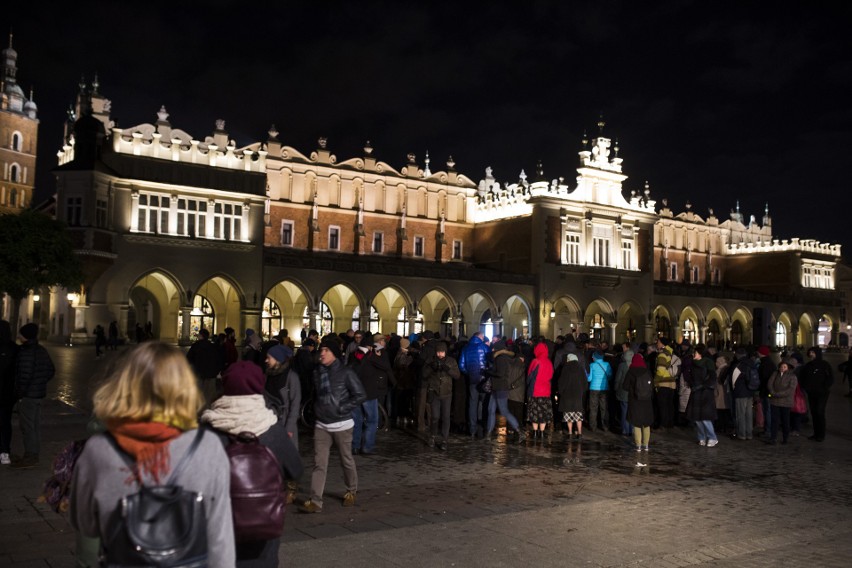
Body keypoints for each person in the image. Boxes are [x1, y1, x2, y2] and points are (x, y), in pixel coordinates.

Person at [69, 342, 235, 566]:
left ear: (125, 384)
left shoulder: (100, 449)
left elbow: (86, 523)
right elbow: (220, 537)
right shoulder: (207, 447)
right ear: (184, 387)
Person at [202, 360, 303, 567]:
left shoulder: (208, 429)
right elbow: (296, 469)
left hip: (218, 531)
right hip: (262, 532)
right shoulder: (272, 428)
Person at [300, 339, 366, 513]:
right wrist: (316, 410)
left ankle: (351, 490)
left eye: (327, 350)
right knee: (319, 463)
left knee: (346, 460)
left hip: (342, 424)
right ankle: (315, 500)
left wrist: (342, 408)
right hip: (322, 425)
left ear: (334, 354)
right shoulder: (317, 372)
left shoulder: (346, 373)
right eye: (321, 349)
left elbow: (360, 395)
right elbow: (316, 395)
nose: (322, 353)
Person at [12, 323, 55, 468]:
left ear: (26, 336)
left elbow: (24, 376)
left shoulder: (25, 352)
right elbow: (50, 370)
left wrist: (20, 393)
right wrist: (40, 383)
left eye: (21, 334)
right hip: (38, 394)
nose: (18, 336)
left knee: (28, 426)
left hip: (28, 396)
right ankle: (34, 454)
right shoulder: (41, 350)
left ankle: (30, 456)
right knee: (35, 426)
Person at [483, 340, 524, 441]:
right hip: (496, 387)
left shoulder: (500, 359)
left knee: (504, 411)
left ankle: (519, 431)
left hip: (500, 388)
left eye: (494, 348)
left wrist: (488, 371)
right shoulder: (503, 358)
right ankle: (488, 434)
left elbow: (500, 374)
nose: (492, 349)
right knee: (491, 410)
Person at [422, 341, 461, 449]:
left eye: (442, 352)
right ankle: (432, 436)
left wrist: (447, 369)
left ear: (445, 352)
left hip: (447, 393)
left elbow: (457, 375)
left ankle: (444, 439)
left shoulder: (451, 361)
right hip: (434, 392)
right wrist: (431, 367)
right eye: (438, 352)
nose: (440, 354)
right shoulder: (431, 360)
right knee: (435, 417)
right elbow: (423, 375)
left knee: (446, 417)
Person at [459, 331, 490, 438]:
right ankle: (484, 427)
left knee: (472, 403)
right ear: (480, 337)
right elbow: (490, 363)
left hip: (472, 380)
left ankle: (472, 428)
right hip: (484, 380)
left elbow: (461, 365)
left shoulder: (466, 348)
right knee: (484, 403)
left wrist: (469, 373)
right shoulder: (485, 347)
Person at [686, 344, 718, 447]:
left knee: (705, 417)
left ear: (700, 353)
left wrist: (702, 385)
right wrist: (691, 384)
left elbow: (712, 378)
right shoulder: (693, 363)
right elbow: (689, 376)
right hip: (695, 391)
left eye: (695, 352)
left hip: (705, 392)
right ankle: (701, 437)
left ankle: (712, 437)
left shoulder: (708, 362)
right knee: (696, 417)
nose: (693, 354)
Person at [800, 346, 833, 442]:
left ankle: (821, 434)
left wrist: (825, 387)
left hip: (822, 393)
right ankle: (816, 433)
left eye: (813, 352)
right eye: (810, 352)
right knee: (814, 412)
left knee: (819, 412)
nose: (811, 354)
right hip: (811, 393)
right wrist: (806, 387)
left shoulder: (824, 365)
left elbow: (830, 378)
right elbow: (803, 377)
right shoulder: (808, 365)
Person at [186, 328, 225, 406]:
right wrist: (217, 371)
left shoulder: (196, 346)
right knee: (209, 395)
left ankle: (198, 411)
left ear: (201, 336)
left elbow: (188, 358)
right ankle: (207, 409)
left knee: (198, 393)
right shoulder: (213, 346)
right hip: (211, 374)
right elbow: (219, 360)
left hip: (199, 373)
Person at [624, 353, 654, 451]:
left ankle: (638, 445)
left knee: (636, 423)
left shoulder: (631, 371)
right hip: (646, 401)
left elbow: (624, 386)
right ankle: (646, 445)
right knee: (646, 423)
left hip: (634, 400)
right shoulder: (647, 371)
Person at [526, 342, 554, 440]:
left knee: (534, 412)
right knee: (543, 412)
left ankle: (534, 432)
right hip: (546, 391)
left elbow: (530, 376)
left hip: (535, 391)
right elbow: (551, 376)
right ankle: (542, 433)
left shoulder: (536, 361)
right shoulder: (549, 362)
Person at [767, 359, 797, 445]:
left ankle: (785, 438)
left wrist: (777, 394)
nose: (782, 368)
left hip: (786, 402)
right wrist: (772, 392)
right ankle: (773, 438)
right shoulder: (775, 373)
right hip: (774, 401)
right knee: (774, 420)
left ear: (788, 368)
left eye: (784, 367)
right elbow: (770, 383)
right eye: (781, 366)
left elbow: (790, 390)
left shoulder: (792, 377)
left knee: (785, 421)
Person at [728, 348, 756, 441]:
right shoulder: (751, 363)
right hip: (750, 391)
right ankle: (749, 433)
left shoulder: (738, 365)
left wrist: (733, 391)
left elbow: (733, 380)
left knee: (740, 414)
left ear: (737, 354)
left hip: (740, 392)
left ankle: (742, 434)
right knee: (749, 414)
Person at [0, 320, 18, 465]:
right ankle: (5, 452)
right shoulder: (15, 348)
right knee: (5, 422)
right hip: (8, 393)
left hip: (6, 392)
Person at [557, 353, 586, 440]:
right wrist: (582, 391)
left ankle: (570, 433)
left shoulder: (565, 368)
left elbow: (561, 382)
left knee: (568, 414)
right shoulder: (581, 368)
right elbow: (585, 383)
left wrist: (561, 392)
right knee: (578, 414)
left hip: (567, 395)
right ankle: (579, 433)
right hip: (578, 395)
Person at [653, 337, 677, 430]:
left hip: (663, 383)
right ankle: (670, 423)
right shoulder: (671, 352)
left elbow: (660, 370)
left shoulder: (662, 355)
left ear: (663, 344)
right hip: (671, 383)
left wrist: (655, 381)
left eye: (658, 342)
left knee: (662, 406)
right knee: (669, 405)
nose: (657, 343)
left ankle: (663, 424)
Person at [587, 350, 613, 432]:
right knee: (604, 408)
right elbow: (610, 376)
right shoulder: (607, 364)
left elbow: (589, 378)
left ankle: (593, 427)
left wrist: (585, 374)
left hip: (594, 389)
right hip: (604, 388)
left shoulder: (591, 365)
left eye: (593, 356)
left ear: (595, 357)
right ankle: (605, 426)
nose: (592, 357)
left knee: (593, 408)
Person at [613, 342, 633, 436]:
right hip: (633, 391)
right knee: (631, 410)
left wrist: (616, 388)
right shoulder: (635, 365)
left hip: (623, 391)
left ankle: (625, 430)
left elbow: (618, 378)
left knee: (624, 410)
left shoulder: (622, 365)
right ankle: (631, 429)